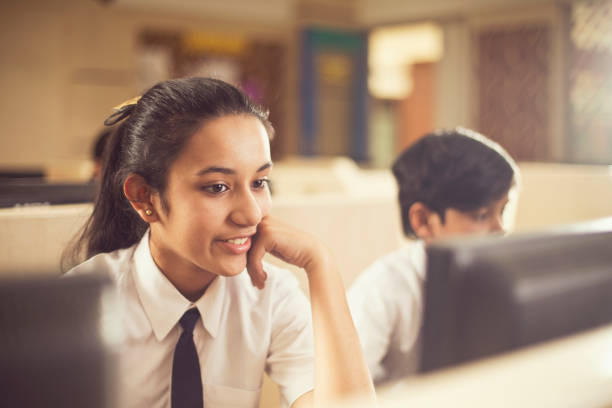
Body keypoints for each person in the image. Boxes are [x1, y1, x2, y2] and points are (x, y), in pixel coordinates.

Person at [65, 77, 375, 408]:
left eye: (259, 182)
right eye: (217, 187)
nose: (251, 214)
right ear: (145, 197)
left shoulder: (269, 295)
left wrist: (320, 264)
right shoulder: (79, 304)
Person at [347, 128, 520, 384]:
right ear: (424, 221)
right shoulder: (380, 290)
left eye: (502, 211)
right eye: (482, 215)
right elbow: (342, 393)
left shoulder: (498, 279)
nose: (500, 228)